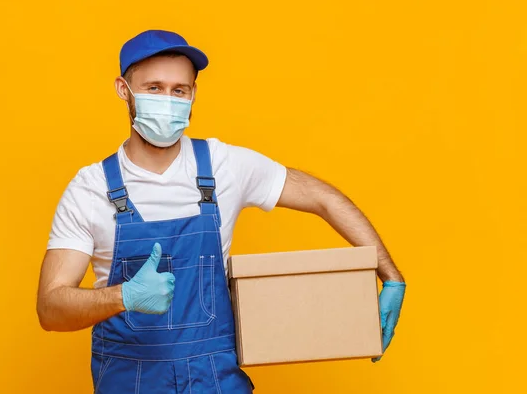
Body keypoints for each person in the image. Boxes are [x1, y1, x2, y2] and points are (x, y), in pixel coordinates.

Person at [36, 29, 407, 394]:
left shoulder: (223, 165)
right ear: (123, 89)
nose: (168, 100)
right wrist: (124, 297)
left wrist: (390, 275)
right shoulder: (90, 189)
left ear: (193, 94)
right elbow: (50, 309)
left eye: (179, 90)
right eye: (154, 88)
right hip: (130, 383)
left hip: (216, 380)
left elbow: (322, 197)